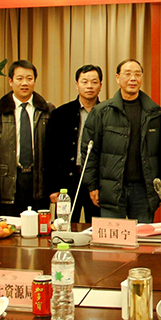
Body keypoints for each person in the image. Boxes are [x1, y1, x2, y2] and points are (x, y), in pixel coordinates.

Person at [82, 59, 161, 223]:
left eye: (137, 74)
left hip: (144, 190)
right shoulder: (101, 112)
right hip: (111, 189)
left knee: (143, 237)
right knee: (113, 237)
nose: (133, 78)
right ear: (117, 77)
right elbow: (89, 152)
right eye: (127, 74)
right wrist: (92, 186)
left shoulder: (155, 113)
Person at [0, 60, 55, 216]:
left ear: (35, 81)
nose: (24, 83)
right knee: (9, 228)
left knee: (40, 227)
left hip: (39, 182)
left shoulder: (48, 111)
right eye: (19, 78)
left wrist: (54, 187)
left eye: (29, 78)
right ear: (10, 81)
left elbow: (55, 153)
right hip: (8, 183)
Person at [44, 64, 103, 223]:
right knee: (65, 226)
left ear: (100, 85)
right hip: (68, 181)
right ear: (77, 85)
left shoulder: (107, 113)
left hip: (97, 183)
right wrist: (53, 188)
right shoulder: (61, 114)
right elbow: (50, 153)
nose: (89, 86)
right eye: (84, 82)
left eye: (94, 82)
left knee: (97, 228)